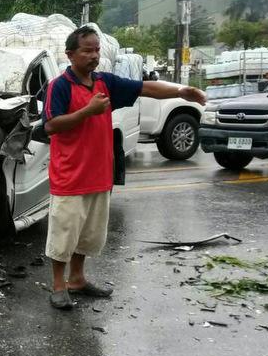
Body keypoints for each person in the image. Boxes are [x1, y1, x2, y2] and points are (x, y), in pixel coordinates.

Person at [43, 26, 206, 310]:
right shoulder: (60, 86)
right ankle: (59, 285)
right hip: (70, 176)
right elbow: (51, 125)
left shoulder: (105, 83)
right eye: (87, 50)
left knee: (88, 235)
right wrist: (87, 112)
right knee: (64, 234)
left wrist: (182, 91)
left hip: (99, 174)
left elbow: (145, 88)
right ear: (70, 54)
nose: (94, 56)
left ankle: (78, 279)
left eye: (97, 50)